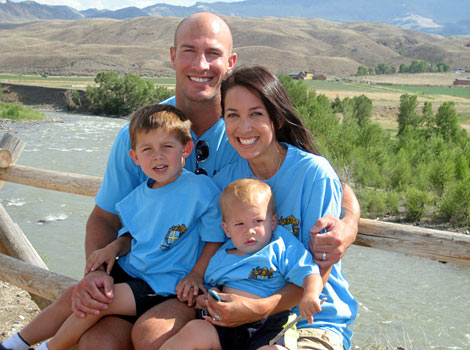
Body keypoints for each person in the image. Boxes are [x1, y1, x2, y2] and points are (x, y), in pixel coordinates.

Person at [74, 12, 360, 350]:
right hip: (179, 283)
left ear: (230, 61)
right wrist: (97, 273)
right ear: (172, 56)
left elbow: (323, 179)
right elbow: (105, 217)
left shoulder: (244, 138)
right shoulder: (144, 133)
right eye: (189, 51)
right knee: (97, 341)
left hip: (271, 302)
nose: (201, 64)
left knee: (153, 336)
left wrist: (350, 220)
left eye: (212, 53)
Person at [0, 104, 226, 350]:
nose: (158, 156)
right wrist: (114, 247)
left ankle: (49, 348)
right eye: (147, 149)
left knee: (98, 303)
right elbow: (135, 236)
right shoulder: (138, 196)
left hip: (163, 284)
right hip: (132, 271)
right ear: (135, 157)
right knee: (74, 295)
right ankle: (13, 345)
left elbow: (214, 237)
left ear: (186, 148)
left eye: (167, 147)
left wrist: (196, 274)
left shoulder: (201, 190)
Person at [200, 65, 357, 350]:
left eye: (256, 114)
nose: (244, 127)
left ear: (277, 117)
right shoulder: (226, 182)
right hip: (242, 319)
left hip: (313, 318)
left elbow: (318, 269)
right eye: (233, 115)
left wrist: (258, 308)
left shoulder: (312, 174)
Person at [162, 178, 324, 350]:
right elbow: (214, 287)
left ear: (273, 221)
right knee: (194, 331)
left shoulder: (281, 246)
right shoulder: (221, 256)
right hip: (226, 325)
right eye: (240, 224)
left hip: (270, 324)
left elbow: (310, 272)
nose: (250, 230)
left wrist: (311, 295)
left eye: (258, 221)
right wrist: (207, 299)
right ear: (227, 229)